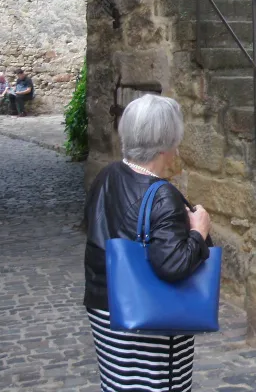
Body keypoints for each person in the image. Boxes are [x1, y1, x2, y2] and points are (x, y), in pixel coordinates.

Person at [83, 94, 213, 392]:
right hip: (149, 316)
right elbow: (173, 264)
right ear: (169, 144)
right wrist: (199, 231)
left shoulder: (107, 175)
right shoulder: (163, 195)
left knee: (118, 384)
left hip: (105, 306)